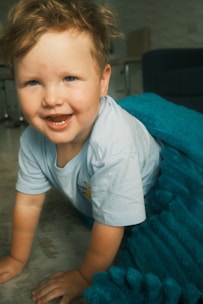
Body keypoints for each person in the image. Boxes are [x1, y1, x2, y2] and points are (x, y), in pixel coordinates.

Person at [0, 0, 161, 303]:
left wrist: (87, 275)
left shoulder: (114, 145)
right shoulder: (32, 140)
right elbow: (29, 203)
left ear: (103, 81)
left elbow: (111, 221)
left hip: (145, 183)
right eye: (33, 82)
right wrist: (16, 259)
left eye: (70, 78)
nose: (51, 98)